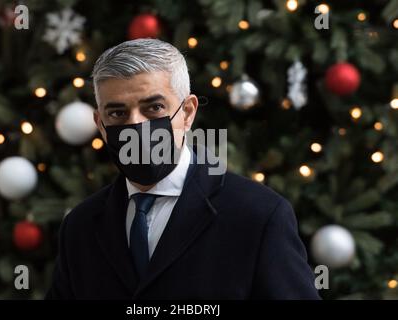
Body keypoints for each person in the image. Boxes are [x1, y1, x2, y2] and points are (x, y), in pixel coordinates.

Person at [45, 38, 320, 299]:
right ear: (101, 124)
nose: (136, 126)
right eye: (117, 113)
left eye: (154, 107)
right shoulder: (80, 226)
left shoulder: (259, 215)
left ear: (187, 112)